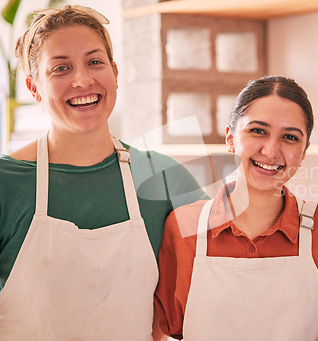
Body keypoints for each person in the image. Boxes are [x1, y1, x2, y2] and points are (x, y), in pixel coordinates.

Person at [0, 5, 206, 340]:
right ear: (34, 87)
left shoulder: (162, 176)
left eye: (95, 62)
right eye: (60, 68)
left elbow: (220, 276)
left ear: (114, 71)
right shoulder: (6, 183)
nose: (82, 80)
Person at [152, 76, 318, 340]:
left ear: (304, 152)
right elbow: (166, 328)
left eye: (289, 137)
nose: (270, 151)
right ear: (230, 138)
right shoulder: (183, 227)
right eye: (258, 131)